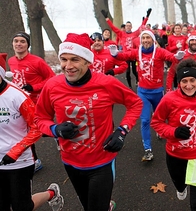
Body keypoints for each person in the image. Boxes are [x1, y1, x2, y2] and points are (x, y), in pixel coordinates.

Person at [34, 33, 143, 211]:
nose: (68, 66)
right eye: (64, 59)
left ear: (87, 61)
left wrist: (122, 131)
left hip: (101, 161)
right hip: (70, 161)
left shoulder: (106, 84)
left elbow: (135, 103)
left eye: (75, 60)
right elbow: (40, 119)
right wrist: (55, 129)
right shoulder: (52, 86)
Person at [151, 58, 196, 211]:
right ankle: (181, 188)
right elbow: (156, 122)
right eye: (184, 81)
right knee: (180, 185)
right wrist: (173, 132)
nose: (189, 85)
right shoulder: (169, 99)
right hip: (176, 155)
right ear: (179, 82)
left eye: (192, 80)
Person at [0, 53, 64, 211]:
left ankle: (51, 193)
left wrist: (16, 151)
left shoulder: (17, 96)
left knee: (22, 207)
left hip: (18, 161)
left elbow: (37, 126)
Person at [110, 30, 185, 161]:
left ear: (153, 40)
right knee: (145, 120)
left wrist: (178, 56)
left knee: (160, 118)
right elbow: (125, 56)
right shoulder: (137, 51)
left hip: (158, 92)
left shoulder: (159, 51)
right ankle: (148, 149)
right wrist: (116, 54)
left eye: (148, 38)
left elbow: (171, 58)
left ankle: (160, 131)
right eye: (143, 38)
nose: (145, 40)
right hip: (143, 92)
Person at [8, 32, 56, 173]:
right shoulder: (11, 61)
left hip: (35, 102)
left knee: (31, 130)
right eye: (16, 41)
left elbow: (51, 78)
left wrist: (33, 87)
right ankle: (33, 159)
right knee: (23, 131)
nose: (18, 44)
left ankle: (36, 160)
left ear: (27, 45)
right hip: (18, 102)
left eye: (22, 41)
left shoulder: (37, 61)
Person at [101, 9, 152, 89]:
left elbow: (142, 26)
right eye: (127, 26)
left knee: (135, 71)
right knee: (127, 71)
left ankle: (139, 83)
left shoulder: (135, 33)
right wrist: (107, 18)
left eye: (129, 26)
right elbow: (113, 28)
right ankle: (130, 87)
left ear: (131, 27)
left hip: (134, 55)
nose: (128, 27)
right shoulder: (121, 34)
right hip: (126, 55)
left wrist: (147, 17)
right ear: (125, 27)